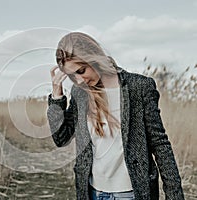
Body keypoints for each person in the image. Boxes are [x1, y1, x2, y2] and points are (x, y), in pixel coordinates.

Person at [47, 32, 184, 200]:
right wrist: (56, 97)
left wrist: (174, 195)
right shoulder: (80, 93)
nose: (79, 80)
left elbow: (160, 144)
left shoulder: (139, 87)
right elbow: (61, 138)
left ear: (94, 58)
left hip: (132, 193)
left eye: (81, 70)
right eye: (71, 76)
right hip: (93, 192)